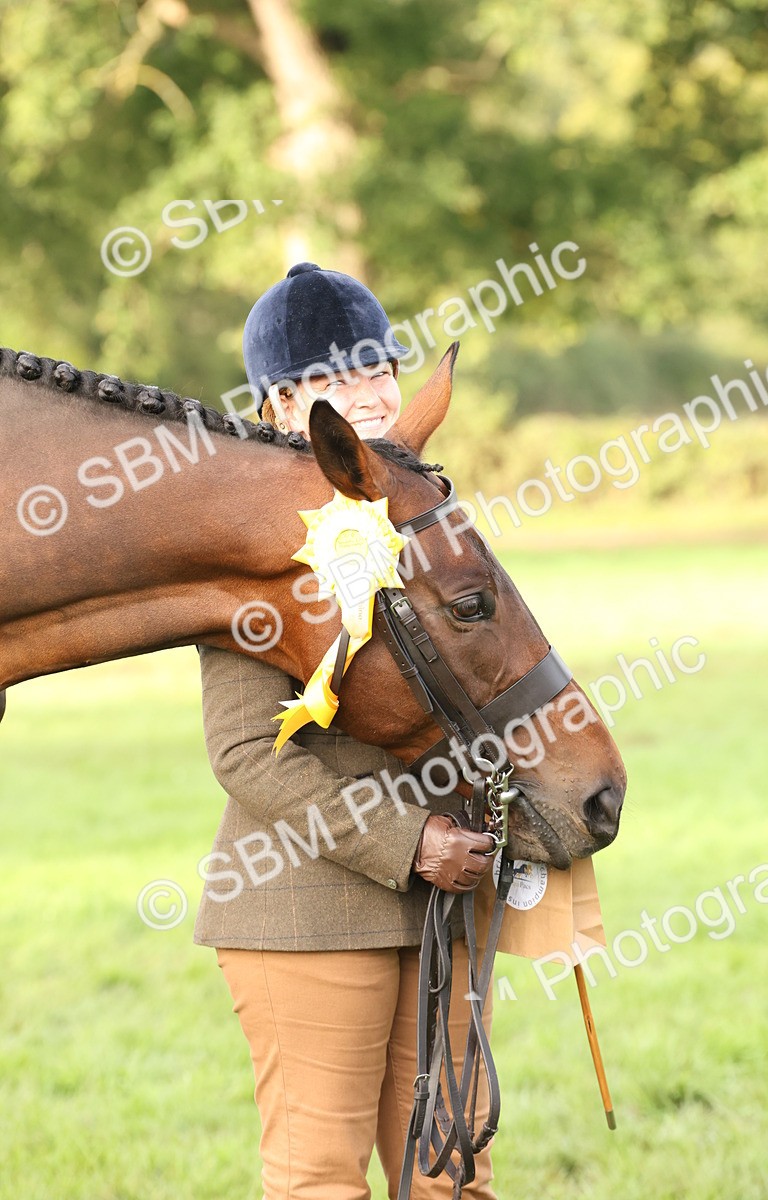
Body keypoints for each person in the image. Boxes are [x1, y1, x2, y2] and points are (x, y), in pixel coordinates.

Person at [194, 262, 499, 1200]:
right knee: (321, 1182)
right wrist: (411, 843)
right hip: (304, 908)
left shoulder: (423, 515)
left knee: (455, 1175)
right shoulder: (246, 543)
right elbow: (246, 754)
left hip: (446, 907)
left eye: (383, 369)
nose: (374, 391)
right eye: (345, 375)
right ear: (285, 404)